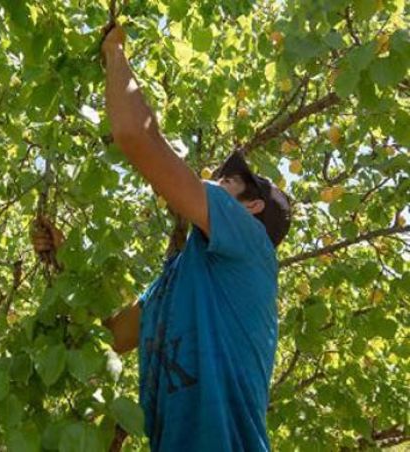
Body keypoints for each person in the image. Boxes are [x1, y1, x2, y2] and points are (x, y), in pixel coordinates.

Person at [31, 21, 292, 452]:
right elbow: (109, 339)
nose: (211, 178)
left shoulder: (251, 244)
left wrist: (115, 54)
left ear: (251, 208)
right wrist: (64, 257)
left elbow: (137, 136)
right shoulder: (177, 283)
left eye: (226, 180)